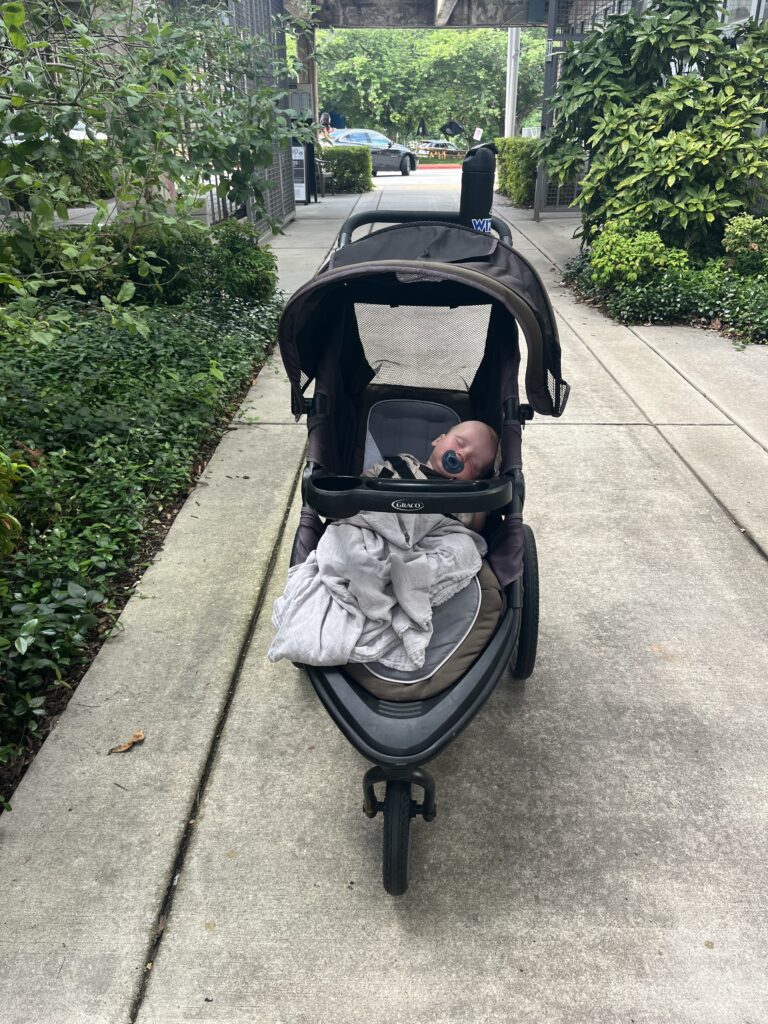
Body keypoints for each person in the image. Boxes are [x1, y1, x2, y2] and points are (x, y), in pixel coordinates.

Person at [364, 420, 499, 533]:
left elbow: (474, 530)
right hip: (383, 524)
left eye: (474, 464)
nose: (463, 454)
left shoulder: (462, 497)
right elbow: (365, 484)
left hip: (433, 541)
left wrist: (481, 494)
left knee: (465, 545)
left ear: (473, 479)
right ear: (438, 440)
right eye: (460, 443)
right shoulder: (400, 464)